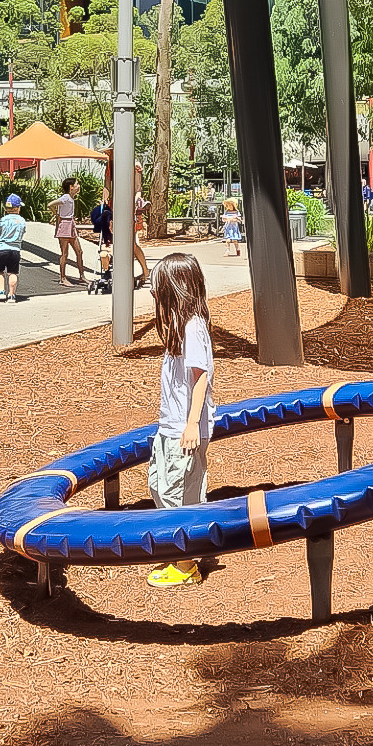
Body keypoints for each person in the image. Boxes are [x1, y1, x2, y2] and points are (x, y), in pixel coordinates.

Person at [146, 252, 214, 590]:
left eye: (158, 286)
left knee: (175, 491)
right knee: (159, 485)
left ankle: (186, 563)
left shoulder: (193, 327)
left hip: (184, 428)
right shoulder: (180, 325)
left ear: (177, 289)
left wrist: (191, 425)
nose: (153, 292)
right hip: (170, 425)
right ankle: (184, 550)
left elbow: (200, 379)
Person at [49, 176, 85, 286]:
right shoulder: (65, 198)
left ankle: (82, 276)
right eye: (76, 184)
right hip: (64, 225)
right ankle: (63, 278)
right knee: (65, 253)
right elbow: (50, 204)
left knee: (79, 251)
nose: (78, 186)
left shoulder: (71, 198)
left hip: (71, 224)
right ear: (71, 187)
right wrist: (57, 215)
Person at [0, 193, 27, 302]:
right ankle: (12, 295)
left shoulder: (3, 220)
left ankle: (1, 291)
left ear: (7, 208)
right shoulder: (22, 221)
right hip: (15, 250)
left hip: (2, 249)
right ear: (17, 208)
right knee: (13, 273)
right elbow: (22, 233)